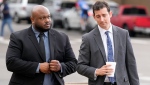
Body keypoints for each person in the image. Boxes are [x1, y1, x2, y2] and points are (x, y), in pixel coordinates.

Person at [6, 5, 77, 85]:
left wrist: (60, 67)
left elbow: (73, 63)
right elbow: (11, 62)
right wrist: (38, 67)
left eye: (48, 17)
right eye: (42, 18)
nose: (47, 20)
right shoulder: (18, 37)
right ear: (32, 19)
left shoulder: (62, 37)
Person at [76, 1, 139, 85]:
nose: (102, 19)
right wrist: (97, 71)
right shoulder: (88, 38)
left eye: (104, 15)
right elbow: (80, 66)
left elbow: (131, 64)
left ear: (110, 14)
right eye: (98, 16)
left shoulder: (123, 34)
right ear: (94, 17)